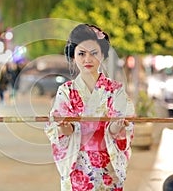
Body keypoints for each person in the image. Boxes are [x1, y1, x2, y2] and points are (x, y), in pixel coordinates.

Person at [44, 24, 135, 190]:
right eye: (81, 53)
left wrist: (117, 126)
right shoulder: (66, 91)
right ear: (73, 56)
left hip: (107, 164)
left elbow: (121, 129)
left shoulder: (115, 90)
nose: (88, 59)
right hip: (78, 165)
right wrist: (65, 129)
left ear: (102, 54)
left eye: (94, 53)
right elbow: (59, 129)